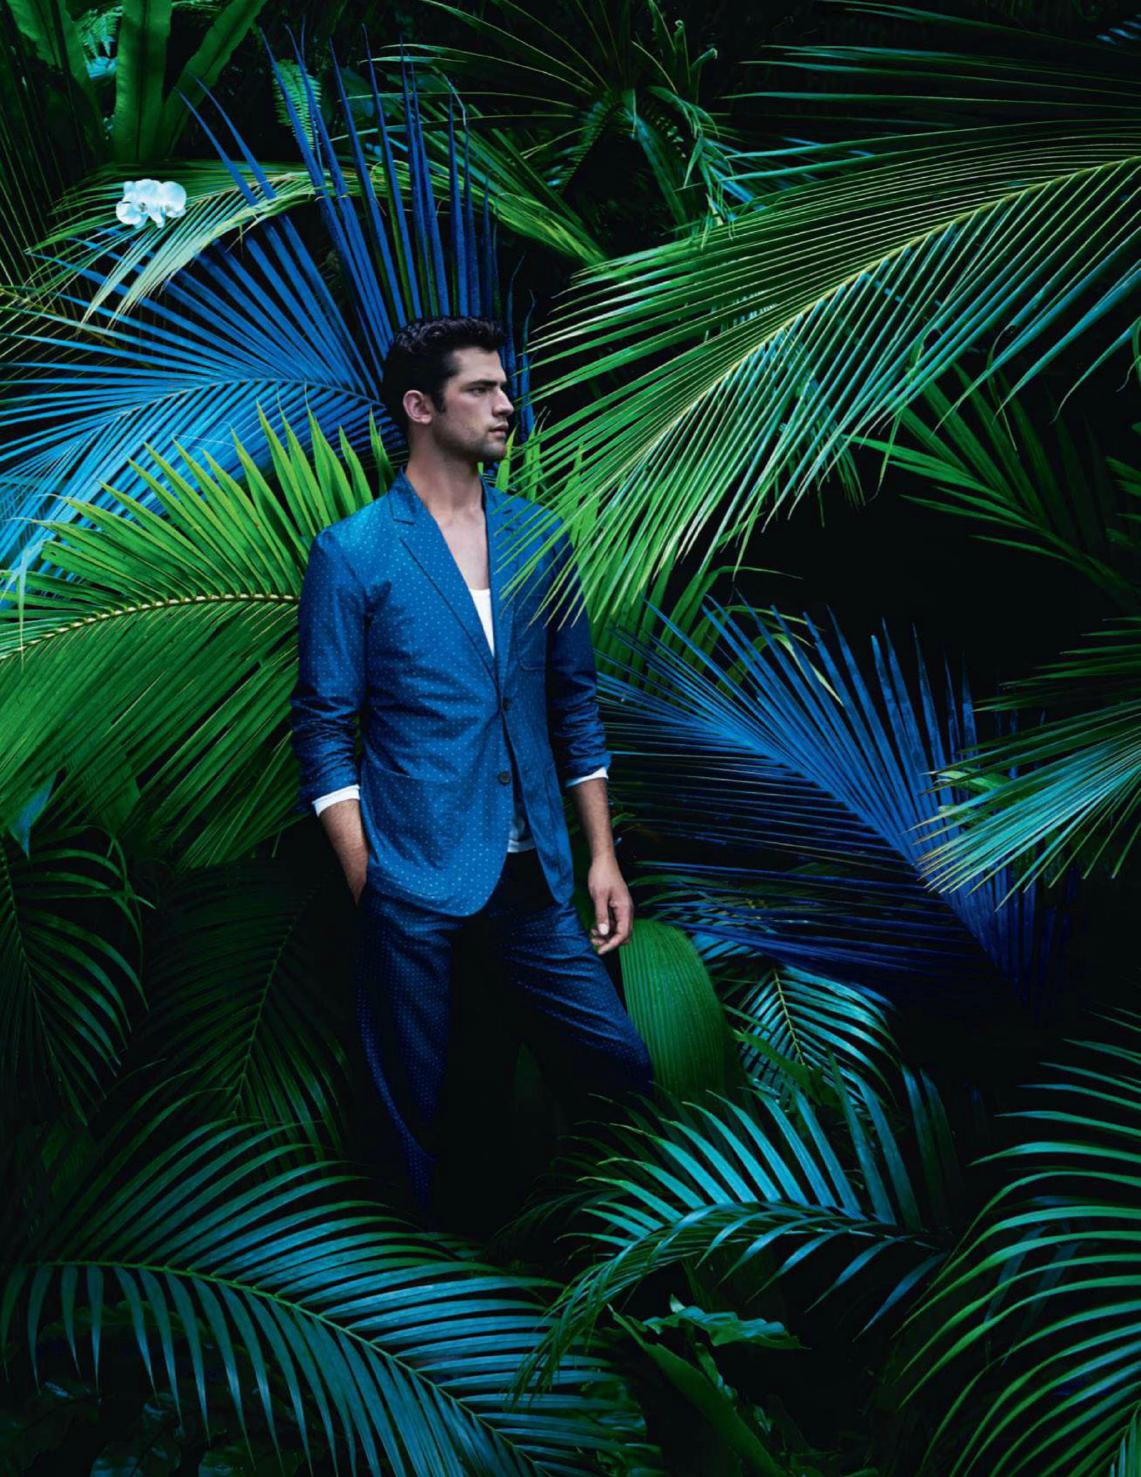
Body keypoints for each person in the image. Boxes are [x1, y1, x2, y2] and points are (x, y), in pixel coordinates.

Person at [289, 315, 654, 1222]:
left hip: (533, 880)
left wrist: (601, 856)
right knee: (408, 1111)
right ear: (420, 407)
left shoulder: (540, 537)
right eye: (481, 389)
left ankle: (632, 1266)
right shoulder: (355, 551)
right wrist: (369, 877)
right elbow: (323, 728)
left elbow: (572, 704)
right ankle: (406, 1290)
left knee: (619, 1070)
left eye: (504, 385)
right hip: (411, 877)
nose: (505, 404)